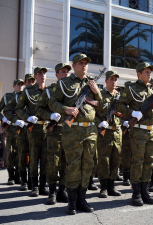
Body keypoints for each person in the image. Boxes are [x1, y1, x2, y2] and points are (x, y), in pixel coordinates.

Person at [49, 53, 103, 215]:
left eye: (86, 63)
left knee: (87, 166)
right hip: (72, 131)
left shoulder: (91, 83)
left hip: (90, 131)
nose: (84, 65)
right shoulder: (64, 83)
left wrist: (96, 92)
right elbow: (52, 102)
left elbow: (101, 106)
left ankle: (82, 199)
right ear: (74, 66)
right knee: (73, 166)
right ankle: (71, 201)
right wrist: (66, 109)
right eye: (80, 63)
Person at [116, 62, 153, 206]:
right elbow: (119, 105)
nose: (149, 74)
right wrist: (132, 112)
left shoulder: (152, 90)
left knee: (149, 162)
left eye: (150, 72)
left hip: (152, 131)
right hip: (139, 131)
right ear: (139, 74)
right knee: (138, 161)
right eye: (146, 72)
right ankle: (136, 193)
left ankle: (145, 191)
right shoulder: (130, 88)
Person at [36, 63, 71, 204]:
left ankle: (62, 190)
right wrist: (49, 116)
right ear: (56, 75)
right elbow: (38, 109)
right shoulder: (49, 91)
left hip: (70, 131)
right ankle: (51, 192)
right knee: (53, 162)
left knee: (66, 163)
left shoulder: (73, 91)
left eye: (68, 72)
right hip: (55, 131)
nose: (66, 74)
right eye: (63, 72)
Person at [15, 67, 48, 197]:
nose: (42, 75)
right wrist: (27, 117)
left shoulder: (50, 90)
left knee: (46, 159)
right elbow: (18, 109)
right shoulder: (28, 91)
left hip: (47, 128)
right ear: (35, 76)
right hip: (33, 129)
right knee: (34, 157)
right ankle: (34, 186)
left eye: (44, 73)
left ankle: (43, 185)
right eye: (40, 73)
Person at [3, 74, 36, 191]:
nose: (31, 84)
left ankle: (33, 181)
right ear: (25, 83)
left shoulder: (37, 95)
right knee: (22, 154)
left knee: (33, 155)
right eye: (29, 82)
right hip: (21, 130)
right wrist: (14, 120)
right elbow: (6, 110)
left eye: (33, 81)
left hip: (35, 130)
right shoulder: (18, 97)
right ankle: (23, 180)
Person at [96, 70, 123, 198]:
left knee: (116, 159)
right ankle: (103, 187)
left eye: (115, 79)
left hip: (117, 132)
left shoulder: (120, 97)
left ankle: (112, 186)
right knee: (104, 160)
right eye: (111, 79)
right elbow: (93, 114)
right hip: (104, 132)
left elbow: (124, 112)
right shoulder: (100, 95)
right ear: (106, 81)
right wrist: (99, 123)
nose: (114, 82)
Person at [0, 79, 24, 184]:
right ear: (13, 86)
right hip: (10, 128)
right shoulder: (7, 97)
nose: (20, 86)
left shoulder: (25, 96)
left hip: (21, 128)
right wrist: (2, 118)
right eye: (18, 85)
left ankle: (18, 175)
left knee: (20, 153)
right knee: (10, 152)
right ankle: (11, 176)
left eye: (21, 85)